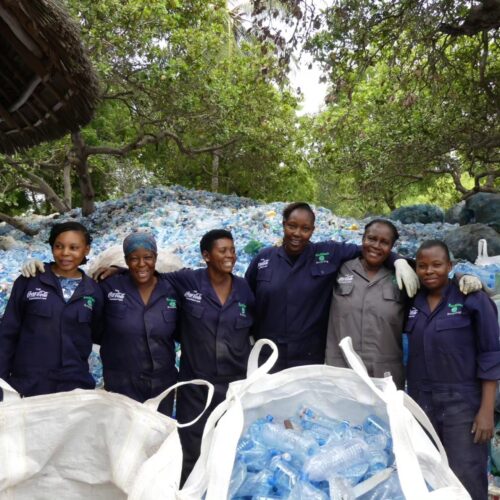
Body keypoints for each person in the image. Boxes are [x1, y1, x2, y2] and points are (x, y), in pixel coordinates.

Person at [245, 202, 419, 372]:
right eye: (292, 226)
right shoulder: (263, 259)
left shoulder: (328, 253)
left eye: (305, 229)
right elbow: (246, 297)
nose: (297, 233)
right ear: (283, 225)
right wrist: (248, 335)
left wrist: (398, 260)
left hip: (309, 358)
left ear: (312, 230)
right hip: (268, 355)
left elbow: (370, 250)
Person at [406, 240, 500, 500]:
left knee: (465, 474)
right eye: (422, 266)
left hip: (462, 405)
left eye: (437, 265)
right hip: (422, 403)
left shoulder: (472, 298)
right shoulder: (413, 301)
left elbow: (491, 355)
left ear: (450, 266)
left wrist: (486, 411)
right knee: (428, 473)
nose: (429, 271)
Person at [0, 222, 103, 397]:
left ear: (86, 250)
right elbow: (8, 333)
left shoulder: (94, 291)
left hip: (74, 386)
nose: (65, 253)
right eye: (58, 246)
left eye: (74, 247)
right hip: (29, 384)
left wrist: (118, 271)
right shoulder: (30, 280)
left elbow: (98, 333)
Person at [98, 231, 178, 415]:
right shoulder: (108, 286)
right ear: (126, 260)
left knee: (158, 437)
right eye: (134, 259)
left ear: (155, 258)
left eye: (148, 257)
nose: (142, 264)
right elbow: (94, 327)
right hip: (122, 385)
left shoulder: (171, 288)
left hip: (162, 385)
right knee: (124, 439)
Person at [325, 219, 407, 389]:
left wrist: (462, 278)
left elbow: (437, 281)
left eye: (384, 242)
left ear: (392, 247)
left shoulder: (402, 276)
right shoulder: (340, 268)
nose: (376, 245)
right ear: (362, 239)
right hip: (341, 371)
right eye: (371, 238)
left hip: (384, 375)